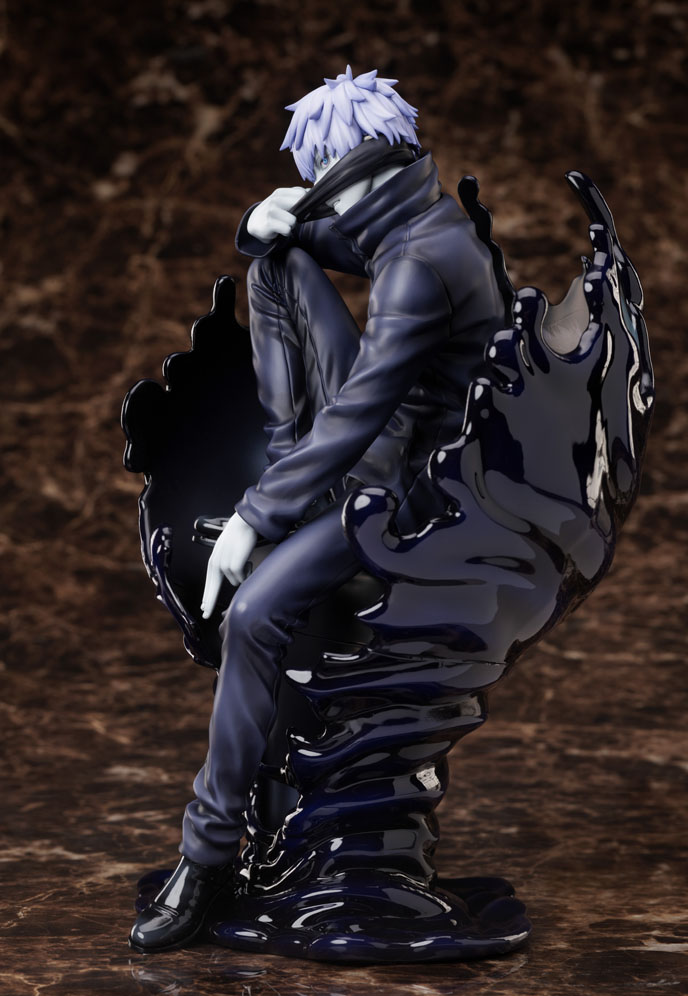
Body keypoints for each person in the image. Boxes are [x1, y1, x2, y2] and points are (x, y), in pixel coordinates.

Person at [129, 65, 506, 954]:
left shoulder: (420, 265)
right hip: (370, 452)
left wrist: (257, 520)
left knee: (254, 615)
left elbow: (356, 419)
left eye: (324, 177)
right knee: (276, 262)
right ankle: (286, 470)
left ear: (359, 167)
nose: (319, 194)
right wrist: (264, 221)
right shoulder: (413, 217)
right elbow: (320, 243)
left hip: (412, 497)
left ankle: (205, 855)